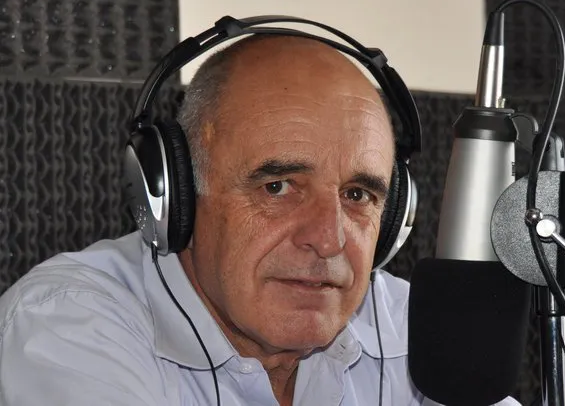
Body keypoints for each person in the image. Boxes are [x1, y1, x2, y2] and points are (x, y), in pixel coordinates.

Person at [0, 33, 519, 406]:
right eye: (278, 187)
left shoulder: (418, 331)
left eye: (358, 195)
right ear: (178, 195)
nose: (329, 239)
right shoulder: (68, 324)